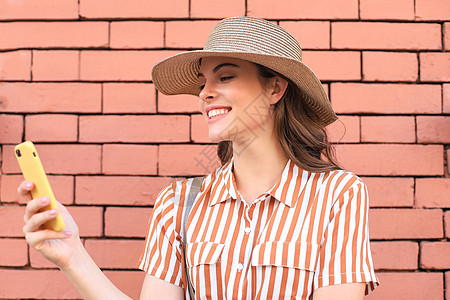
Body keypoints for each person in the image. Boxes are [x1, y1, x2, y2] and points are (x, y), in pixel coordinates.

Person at [19, 16, 379, 299]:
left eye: (225, 76)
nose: (205, 93)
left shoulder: (337, 195)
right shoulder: (178, 205)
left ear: (275, 87)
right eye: (203, 81)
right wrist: (72, 256)